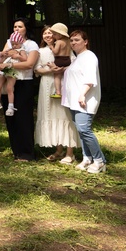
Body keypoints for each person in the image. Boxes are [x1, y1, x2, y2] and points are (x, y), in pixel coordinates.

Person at [62, 30, 106, 173]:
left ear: (85, 41)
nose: (73, 43)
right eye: (72, 40)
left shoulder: (89, 56)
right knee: (81, 132)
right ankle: (87, 158)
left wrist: (82, 95)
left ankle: (100, 161)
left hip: (84, 100)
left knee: (84, 129)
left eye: (77, 40)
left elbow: (90, 79)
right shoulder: (77, 58)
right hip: (74, 101)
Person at [35, 24, 79, 164]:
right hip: (46, 85)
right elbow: (36, 69)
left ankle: (70, 152)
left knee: (64, 115)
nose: (48, 36)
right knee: (51, 115)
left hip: (62, 84)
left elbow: (73, 63)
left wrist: (59, 69)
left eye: (50, 33)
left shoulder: (64, 45)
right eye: (45, 33)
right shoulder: (40, 51)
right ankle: (59, 150)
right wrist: (51, 71)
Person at [0, 18, 40, 162]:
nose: (16, 29)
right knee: (11, 118)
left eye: (20, 26)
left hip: (23, 83)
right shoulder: (9, 42)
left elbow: (29, 64)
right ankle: (16, 151)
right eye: (15, 26)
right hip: (8, 82)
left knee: (23, 118)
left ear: (26, 29)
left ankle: (27, 153)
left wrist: (10, 66)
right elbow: (2, 60)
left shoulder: (31, 44)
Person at [0, 31, 27, 117]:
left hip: (12, 69)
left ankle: (11, 106)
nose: (14, 46)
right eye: (12, 44)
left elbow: (25, 59)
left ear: (20, 43)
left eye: (16, 44)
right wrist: (3, 54)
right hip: (4, 68)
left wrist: (18, 56)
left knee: (9, 88)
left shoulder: (21, 50)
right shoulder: (9, 50)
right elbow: (0, 60)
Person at [48, 23, 72, 99]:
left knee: (57, 76)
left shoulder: (59, 42)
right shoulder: (68, 41)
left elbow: (56, 52)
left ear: (60, 35)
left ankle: (58, 92)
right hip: (67, 59)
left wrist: (51, 47)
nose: (53, 36)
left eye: (54, 34)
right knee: (66, 76)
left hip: (59, 60)